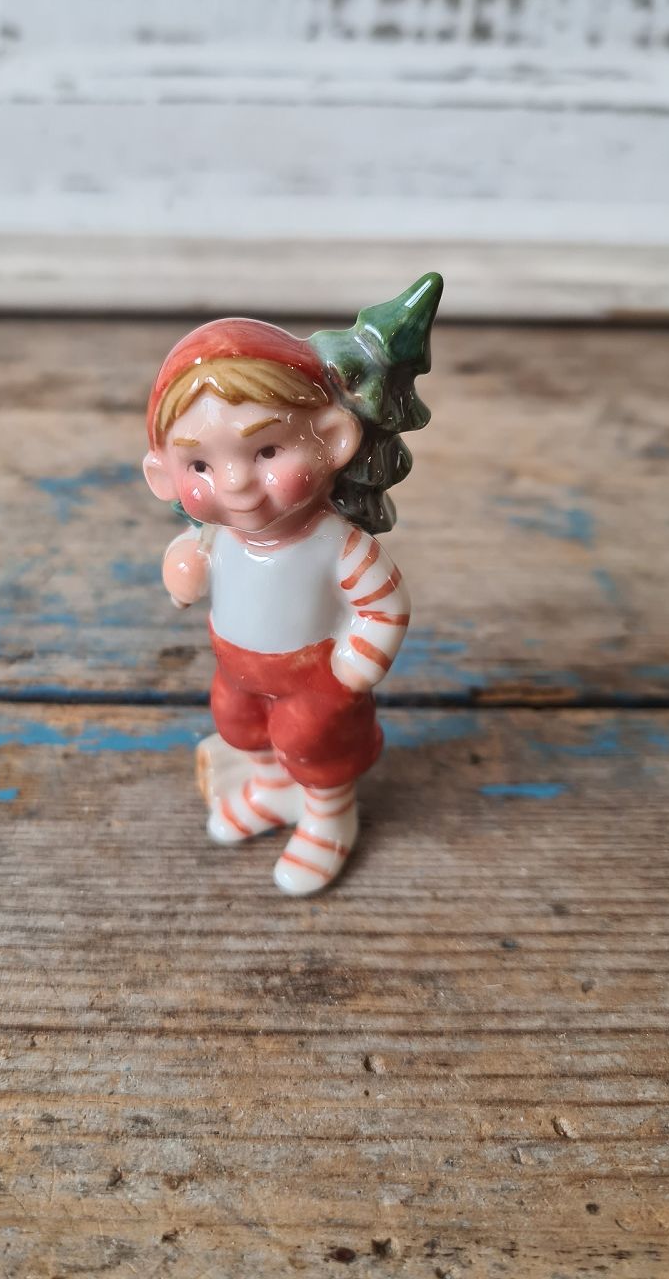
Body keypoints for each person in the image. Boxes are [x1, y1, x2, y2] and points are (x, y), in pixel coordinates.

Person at [142, 275, 441, 895]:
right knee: (237, 721)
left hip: (316, 677)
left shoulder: (336, 544)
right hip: (237, 666)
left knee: (312, 743)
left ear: (332, 440)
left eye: (266, 452)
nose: (234, 483)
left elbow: (383, 602)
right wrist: (183, 567)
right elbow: (193, 564)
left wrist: (354, 666)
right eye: (199, 464)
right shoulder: (217, 537)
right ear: (163, 476)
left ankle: (329, 817)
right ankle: (274, 790)